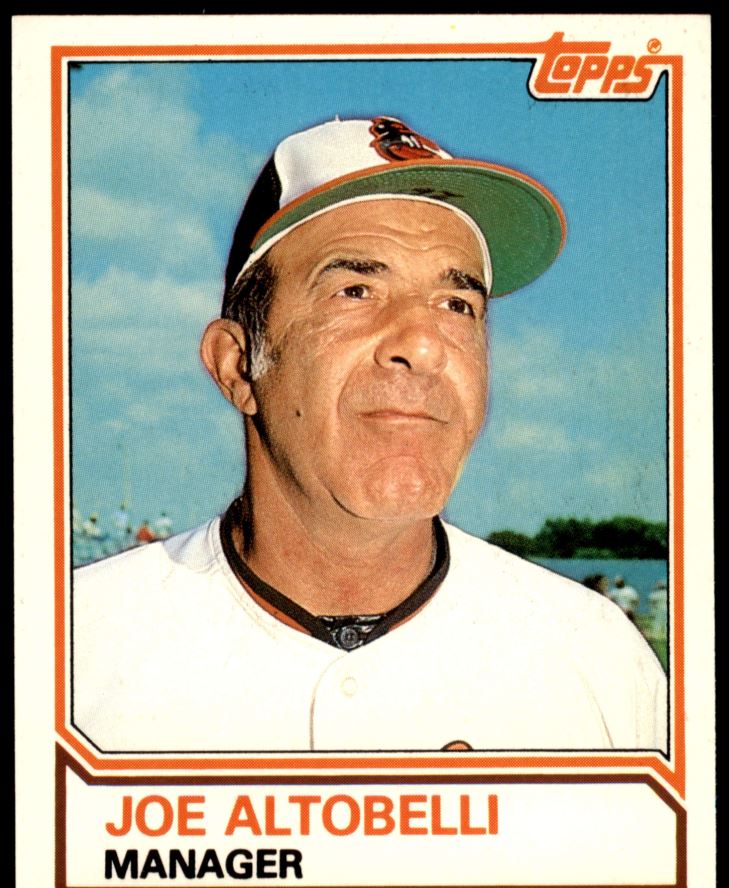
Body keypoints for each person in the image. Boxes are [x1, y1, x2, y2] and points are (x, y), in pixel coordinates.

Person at [73, 115, 667, 753]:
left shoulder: (598, 657)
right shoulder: (72, 652)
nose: (425, 346)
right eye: (355, 290)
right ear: (238, 367)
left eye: (457, 305)